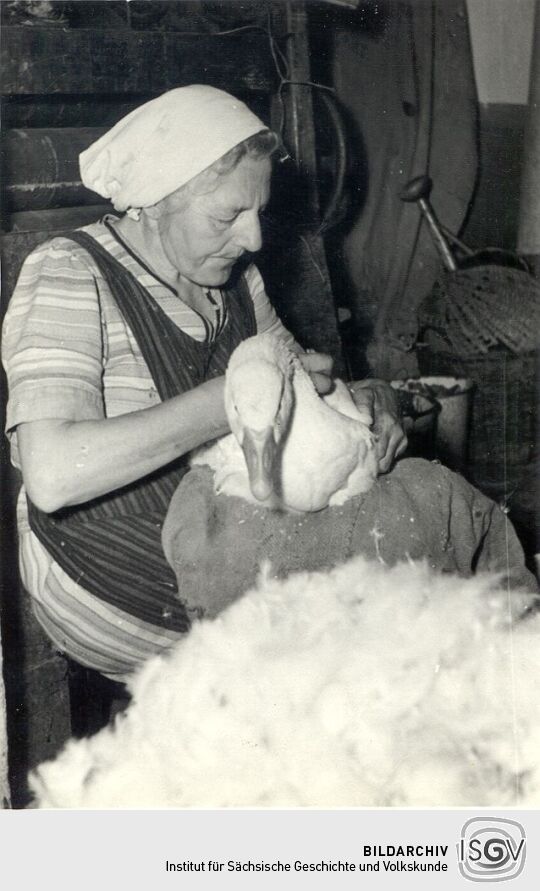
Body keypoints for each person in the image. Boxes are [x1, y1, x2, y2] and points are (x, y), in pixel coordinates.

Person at [2, 86, 406, 680]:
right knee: (357, 657)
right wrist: (228, 405)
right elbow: (53, 474)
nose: (254, 240)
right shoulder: (68, 271)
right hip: (105, 566)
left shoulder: (238, 281)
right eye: (227, 216)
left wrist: (373, 404)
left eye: (258, 212)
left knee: (418, 544)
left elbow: (302, 392)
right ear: (154, 203)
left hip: (224, 536)